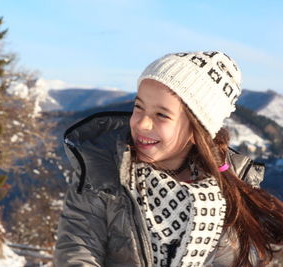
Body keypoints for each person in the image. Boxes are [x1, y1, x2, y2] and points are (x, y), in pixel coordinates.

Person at [54, 51, 283, 266]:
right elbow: (77, 248)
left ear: (196, 130)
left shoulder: (231, 185)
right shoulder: (101, 169)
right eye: (138, 107)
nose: (142, 123)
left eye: (161, 115)